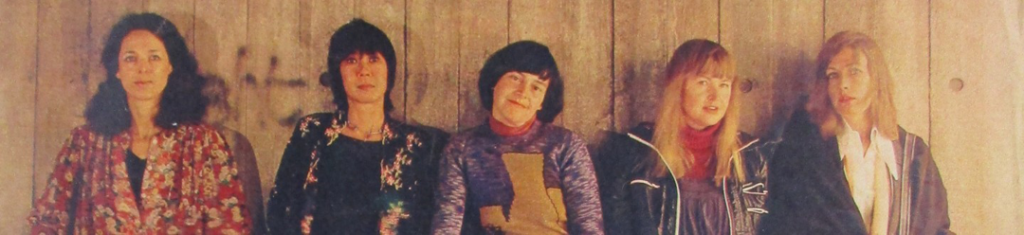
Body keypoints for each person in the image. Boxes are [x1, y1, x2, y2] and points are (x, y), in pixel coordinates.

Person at [27, 13, 251, 234]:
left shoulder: (205, 145)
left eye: (154, 57)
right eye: (130, 58)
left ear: (170, 66)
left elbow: (230, 226)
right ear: (117, 69)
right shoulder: (84, 143)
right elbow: (47, 221)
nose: (143, 68)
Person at [266, 18, 448, 235]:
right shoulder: (311, 131)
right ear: (337, 72)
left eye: (373, 59)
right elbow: (279, 208)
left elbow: (432, 221)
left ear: (389, 70)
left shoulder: (418, 145)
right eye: (351, 61)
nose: (364, 71)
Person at [759, 31, 952, 234]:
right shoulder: (804, 151)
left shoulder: (912, 154)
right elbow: (780, 223)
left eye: (855, 72)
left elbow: (936, 228)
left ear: (876, 79)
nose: (843, 85)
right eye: (833, 75)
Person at [597, 39, 771, 235]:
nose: (715, 96)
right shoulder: (633, 153)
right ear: (678, 86)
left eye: (724, 84)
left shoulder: (751, 156)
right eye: (703, 82)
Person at [431, 41, 605, 235]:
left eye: (536, 88)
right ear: (494, 83)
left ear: (542, 102)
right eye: (515, 78)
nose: (522, 92)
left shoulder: (566, 145)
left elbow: (589, 226)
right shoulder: (461, 148)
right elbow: (447, 226)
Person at [204, 75, 268, 234]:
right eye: (212, 100)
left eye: (221, 99)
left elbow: (254, 213)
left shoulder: (238, 143)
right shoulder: (179, 143)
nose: (222, 107)